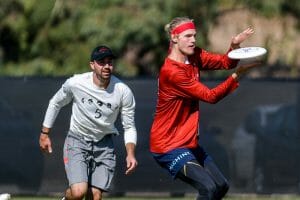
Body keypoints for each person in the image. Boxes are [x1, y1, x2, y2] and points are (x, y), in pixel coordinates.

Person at [149, 17, 260, 200]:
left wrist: (234, 46)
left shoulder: (194, 56)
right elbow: (211, 96)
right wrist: (236, 77)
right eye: (187, 36)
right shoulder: (172, 72)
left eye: (194, 36)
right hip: (167, 145)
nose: (193, 40)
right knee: (208, 188)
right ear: (174, 38)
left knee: (220, 186)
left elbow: (225, 62)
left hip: (187, 143)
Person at [39, 45, 138, 200]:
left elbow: (129, 126)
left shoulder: (123, 91)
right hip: (77, 140)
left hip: (104, 144)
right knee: (78, 192)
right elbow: (55, 103)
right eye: (101, 62)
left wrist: (131, 154)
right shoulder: (76, 83)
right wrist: (45, 133)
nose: (106, 66)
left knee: (96, 196)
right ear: (92, 65)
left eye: (110, 62)